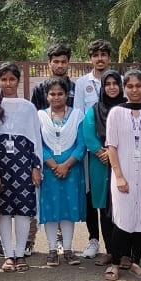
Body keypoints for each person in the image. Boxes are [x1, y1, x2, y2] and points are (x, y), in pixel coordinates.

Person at [104, 69, 141, 281]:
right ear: (124, 88)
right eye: (130, 86)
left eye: (138, 86)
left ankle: (136, 262)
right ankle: (115, 263)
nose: (134, 90)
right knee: (122, 218)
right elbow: (111, 146)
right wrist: (118, 176)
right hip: (123, 174)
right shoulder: (116, 112)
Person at [0, 62, 42, 273]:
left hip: (24, 164)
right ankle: (8, 255)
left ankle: (20, 254)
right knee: (3, 211)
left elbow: (35, 140)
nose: (8, 83)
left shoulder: (28, 107)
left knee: (22, 211)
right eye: (4, 79)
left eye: (12, 79)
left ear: (18, 81)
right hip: (0, 166)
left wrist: (36, 167)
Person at [37, 76, 86, 265]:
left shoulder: (77, 116)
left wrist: (66, 165)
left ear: (67, 95)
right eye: (52, 94)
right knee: (50, 209)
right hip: (49, 171)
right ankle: (51, 250)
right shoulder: (40, 116)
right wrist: (54, 165)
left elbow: (81, 145)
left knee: (68, 208)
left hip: (72, 170)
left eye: (60, 94)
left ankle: (68, 249)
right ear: (46, 96)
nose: (56, 97)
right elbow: (38, 144)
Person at [80, 70, 126, 267]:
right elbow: (88, 134)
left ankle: (125, 253)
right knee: (105, 209)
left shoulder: (127, 108)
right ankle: (110, 251)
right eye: (107, 84)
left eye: (115, 83)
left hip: (123, 163)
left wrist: (114, 153)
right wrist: (103, 152)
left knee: (123, 207)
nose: (112, 87)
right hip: (100, 165)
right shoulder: (94, 110)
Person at [31, 44, 75, 110]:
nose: (60, 65)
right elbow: (34, 113)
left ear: (68, 63)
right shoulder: (39, 89)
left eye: (63, 62)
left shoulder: (75, 88)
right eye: (56, 62)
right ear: (49, 63)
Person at [75, 39, 113, 113]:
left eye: (103, 55)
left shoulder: (120, 80)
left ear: (109, 59)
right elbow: (78, 112)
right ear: (90, 59)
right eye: (95, 55)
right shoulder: (81, 83)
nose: (100, 59)